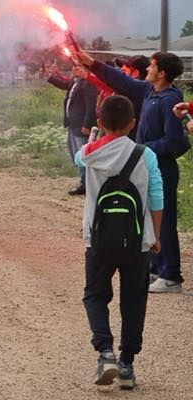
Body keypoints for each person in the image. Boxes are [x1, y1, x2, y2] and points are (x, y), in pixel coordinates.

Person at [73, 49, 187, 294]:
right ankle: (156, 268)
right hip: (146, 164)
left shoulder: (169, 100)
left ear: (162, 73)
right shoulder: (150, 92)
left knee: (164, 221)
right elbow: (122, 80)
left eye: (152, 66)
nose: (148, 69)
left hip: (162, 167)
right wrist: (91, 63)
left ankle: (171, 275)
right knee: (146, 214)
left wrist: (142, 149)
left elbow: (175, 142)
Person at [75, 95, 162, 389]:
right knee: (134, 299)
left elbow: (79, 157)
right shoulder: (145, 155)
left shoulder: (88, 153)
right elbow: (157, 197)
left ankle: (105, 352)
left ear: (100, 122)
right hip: (137, 241)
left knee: (95, 295)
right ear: (133, 123)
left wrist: (98, 135)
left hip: (98, 240)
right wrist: (155, 236)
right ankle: (126, 365)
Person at [47, 62, 98, 195]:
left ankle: (86, 184)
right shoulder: (75, 82)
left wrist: (87, 125)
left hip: (81, 125)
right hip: (72, 124)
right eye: (74, 67)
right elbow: (64, 85)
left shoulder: (88, 84)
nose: (74, 69)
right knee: (74, 153)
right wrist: (51, 77)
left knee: (82, 156)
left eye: (78, 67)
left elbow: (91, 106)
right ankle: (83, 181)